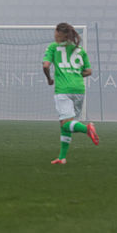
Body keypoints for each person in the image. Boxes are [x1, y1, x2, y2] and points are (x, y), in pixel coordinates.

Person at [42, 22, 99, 164]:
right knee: (66, 122)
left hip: (63, 90)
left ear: (59, 33)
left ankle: (87, 129)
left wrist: (49, 79)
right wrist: (74, 74)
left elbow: (46, 65)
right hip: (79, 89)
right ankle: (62, 157)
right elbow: (89, 71)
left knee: (66, 124)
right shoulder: (79, 50)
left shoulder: (53, 47)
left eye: (55, 31)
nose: (54, 34)